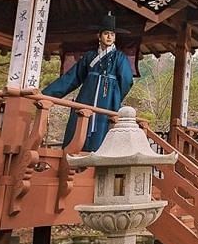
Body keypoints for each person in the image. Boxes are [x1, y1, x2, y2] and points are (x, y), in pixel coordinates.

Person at [43, 11, 133, 152]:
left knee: (103, 129)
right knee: (80, 123)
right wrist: (47, 94)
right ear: (99, 35)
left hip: (108, 100)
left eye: (112, 34)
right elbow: (72, 78)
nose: (109, 37)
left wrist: (115, 97)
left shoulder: (119, 57)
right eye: (106, 33)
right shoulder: (90, 56)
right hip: (87, 96)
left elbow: (126, 80)